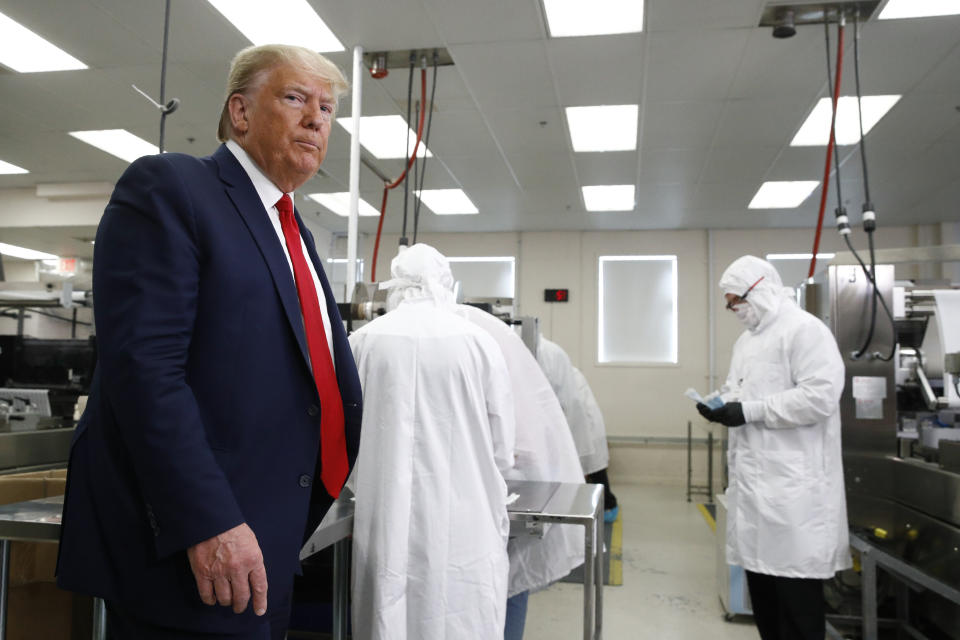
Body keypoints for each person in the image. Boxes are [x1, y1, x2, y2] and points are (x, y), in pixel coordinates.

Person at [56, 44, 362, 639]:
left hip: (269, 541)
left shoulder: (292, 229)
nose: (316, 119)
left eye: (326, 108)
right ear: (241, 114)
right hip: (195, 549)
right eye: (295, 98)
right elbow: (145, 370)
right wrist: (208, 522)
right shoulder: (173, 187)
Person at [348, 244, 515, 640]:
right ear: (444, 283)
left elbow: (343, 436)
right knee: (459, 612)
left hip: (383, 514)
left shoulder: (362, 341)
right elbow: (503, 449)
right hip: (465, 516)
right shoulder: (479, 342)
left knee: (388, 610)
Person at [697, 255, 850, 640]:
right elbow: (741, 389)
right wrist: (719, 404)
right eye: (729, 303)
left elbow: (820, 397)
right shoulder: (747, 342)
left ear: (761, 289)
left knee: (797, 603)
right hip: (755, 490)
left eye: (737, 301)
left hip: (795, 494)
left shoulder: (804, 331)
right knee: (764, 597)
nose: (733, 309)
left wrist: (748, 410)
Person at [457, 304, 585, 640]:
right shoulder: (482, 334)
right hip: (493, 495)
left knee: (506, 584)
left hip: (510, 492)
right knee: (497, 586)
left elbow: (511, 449)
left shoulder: (474, 338)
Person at [536, 336, 619, 522]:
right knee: (593, 473)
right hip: (584, 427)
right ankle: (604, 506)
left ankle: (608, 507)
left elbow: (571, 407)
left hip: (586, 428)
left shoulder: (562, 370)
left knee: (594, 475)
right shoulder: (563, 368)